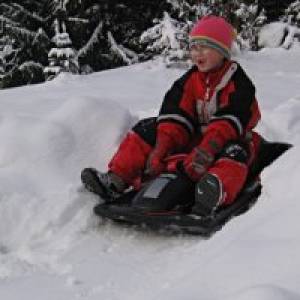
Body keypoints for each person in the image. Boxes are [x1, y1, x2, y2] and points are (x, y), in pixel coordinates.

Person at [81, 15, 263, 216]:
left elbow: (230, 121)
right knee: (148, 128)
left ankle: (215, 190)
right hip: (194, 140)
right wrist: (161, 148)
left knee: (237, 153)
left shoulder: (238, 83)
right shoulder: (189, 81)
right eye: (193, 47)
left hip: (228, 138)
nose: (197, 53)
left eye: (205, 47)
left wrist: (207, 150)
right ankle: (117, 179)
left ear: (222, 52)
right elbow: (174, 115)